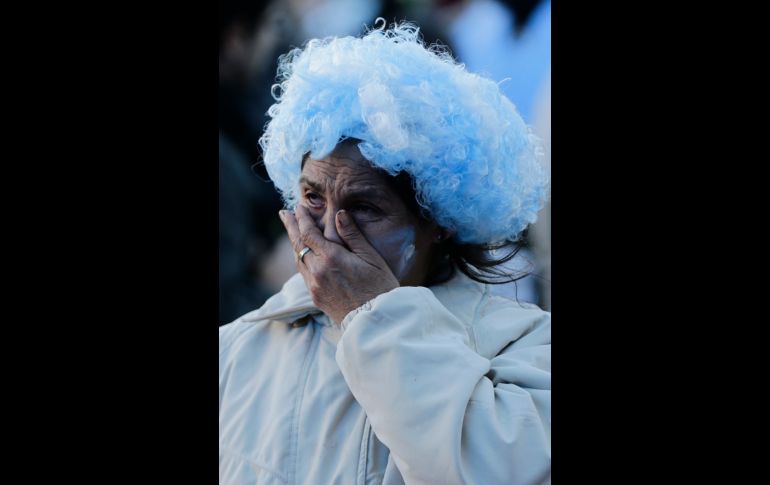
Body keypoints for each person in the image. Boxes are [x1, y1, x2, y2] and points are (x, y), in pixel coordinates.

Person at [219, 20, 551, 484]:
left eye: (364, 207)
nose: (331, 232)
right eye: (313, 197)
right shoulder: (240, 349)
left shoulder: (522, 349)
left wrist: (370, 314)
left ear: (439, 222)